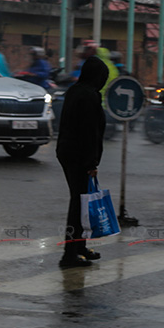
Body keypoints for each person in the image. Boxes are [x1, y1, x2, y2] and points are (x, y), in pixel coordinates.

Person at [56, 55, 110, 268]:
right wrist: (91, 164)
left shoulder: (75, 91)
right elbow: (88, 132)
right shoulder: (89, 96)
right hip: (79, 156)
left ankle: (79, 248)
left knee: (80, 202)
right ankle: (69, 254)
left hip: (68, 152)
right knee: (78, 205)